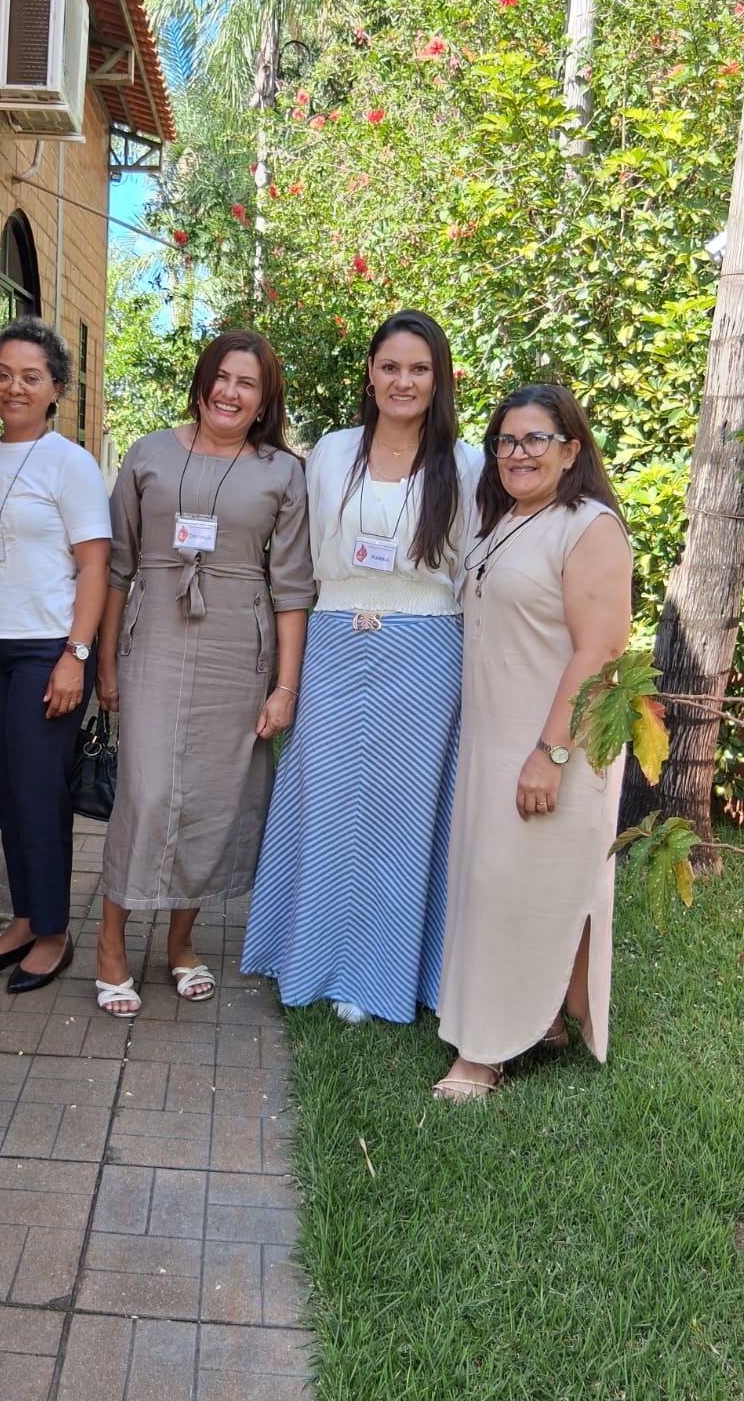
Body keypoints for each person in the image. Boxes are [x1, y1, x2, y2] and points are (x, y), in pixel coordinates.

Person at [242, 310, 482, 1024]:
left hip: (427, 649)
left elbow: (474, 573)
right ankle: (310, 956)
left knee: (403, 813)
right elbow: (305, 555)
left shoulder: (466, 464)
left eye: (419, 369)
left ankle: (387, 973)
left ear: (438, 380)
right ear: (370, 375)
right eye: (390, 367)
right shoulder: (331, 452)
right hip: (336, 641)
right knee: (325, 799)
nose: (403, 381)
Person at [94, 329, 315, 1017]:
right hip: (155, 635)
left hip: (237, 649)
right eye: (223, 376)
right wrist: (104, 660)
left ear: (264, 400)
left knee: (214, 798)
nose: (231, 392)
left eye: (248, 383)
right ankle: (109, 941)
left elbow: (294, 588)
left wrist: (285, 687)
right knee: (148, 791)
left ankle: (182, 943)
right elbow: (117, 566)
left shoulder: (283, 473)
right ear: (202, 381)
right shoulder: (148, 454)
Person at [434, 383, 632, 1102]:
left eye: (535, 440)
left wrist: (550, 754)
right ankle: (542, 1019)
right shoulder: (507, 521)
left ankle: (483, 1053)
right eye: (505, 441)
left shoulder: (590, 526)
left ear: (571, 450)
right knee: (503, 885)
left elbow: (600, 653)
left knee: (514, 887)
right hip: (494, 739)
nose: (518, 453)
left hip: (552, 740)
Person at [0, 316, 110, 992]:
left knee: (40, 792)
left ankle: (52, 932)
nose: (14, 387)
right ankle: (23, 917)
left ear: (56, 390)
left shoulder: (70, 463)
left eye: (31, 377)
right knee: (5, 792)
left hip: (47, 649)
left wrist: (77, 653)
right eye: (3, 375)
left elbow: (96, 566)